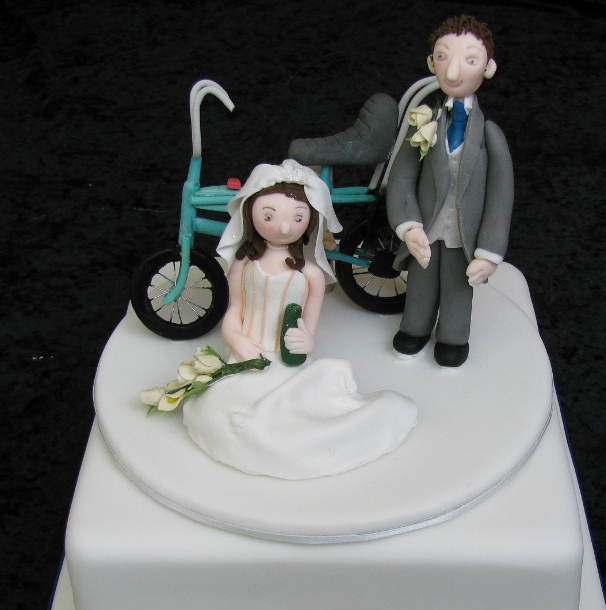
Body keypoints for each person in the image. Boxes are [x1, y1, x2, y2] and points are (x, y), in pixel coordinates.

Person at [183, 160, 417, 480]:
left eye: (297, 217)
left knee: (291, 423)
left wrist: (307, 340)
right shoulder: (243, 264)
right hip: (247, 353)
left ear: (310, 221)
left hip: (287, 360)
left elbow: (309, 325)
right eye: (269, 216)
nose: (284, 228)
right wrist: (236, 338)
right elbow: (234, 310)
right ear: (250, 214)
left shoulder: (311, 275)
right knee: (220, 413)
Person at [387, 15, 514, 367]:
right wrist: (408, 225)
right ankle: (415, 328)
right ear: (432, 63)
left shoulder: (489, 135)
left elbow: (501, 197)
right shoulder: (423, 123)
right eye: (443, 57)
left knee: (459, 286)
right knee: (421, 283)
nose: (454, 71)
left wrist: (489, 252)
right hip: (427, 228)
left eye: (470, 59)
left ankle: (453, 337)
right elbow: (401, 177)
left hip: (465, 234)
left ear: (488, 68)